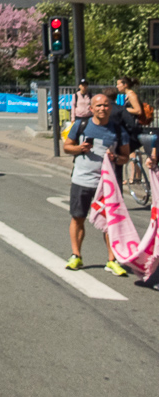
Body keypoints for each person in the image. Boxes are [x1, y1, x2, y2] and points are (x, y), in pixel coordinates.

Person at [61, 94, 130, 276]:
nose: (102, 108)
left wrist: (116, 158)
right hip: (82, 180)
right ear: (91, 109)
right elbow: (67, 147)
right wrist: (79, 149)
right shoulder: (81, 125)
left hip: (107, 184)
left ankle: (112, 260)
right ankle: (76, 255)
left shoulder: (118, 130)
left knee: (111, 223)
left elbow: (126, 157)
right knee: (78, 217)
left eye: (106, 105)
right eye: (98, 106)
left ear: (110, 108)